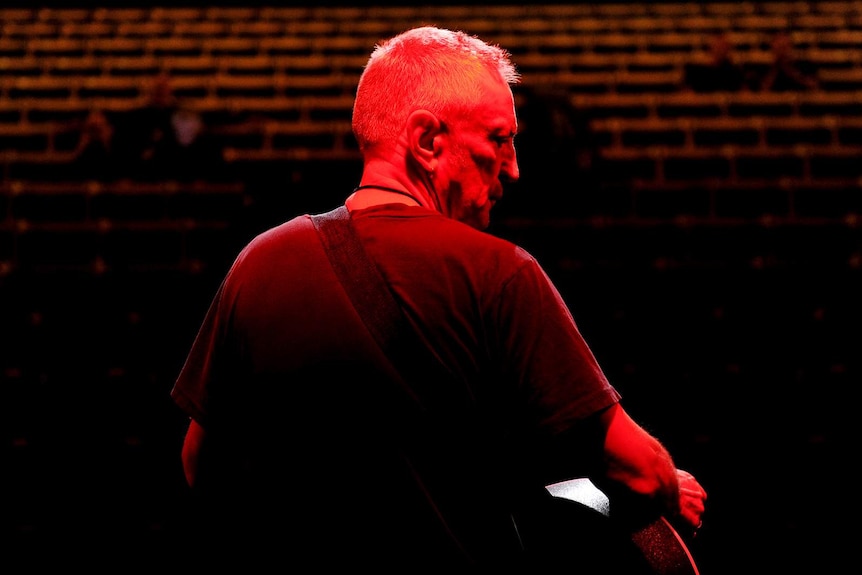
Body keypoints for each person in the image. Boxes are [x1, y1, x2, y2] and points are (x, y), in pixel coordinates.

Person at [171, 26, 707, 571]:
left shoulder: (257, 263)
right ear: (428, 141)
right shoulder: (500, 272)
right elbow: (638, 470)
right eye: (500, 140)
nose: (515, 167)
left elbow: (199, 465)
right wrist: (668, 488)